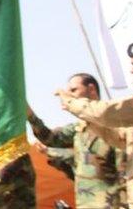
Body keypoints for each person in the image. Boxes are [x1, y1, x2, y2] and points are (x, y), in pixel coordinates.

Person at [57, 41, 133, 207]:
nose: (131, 70)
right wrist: (88, 117)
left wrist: (73, 103)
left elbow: (109, 113)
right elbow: (120, 138)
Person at [28, 73, 124, 208]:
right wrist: (28, 113)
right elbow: (50, 138)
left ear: (91, 89)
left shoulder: (115, 125)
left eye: (74, 90)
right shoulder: (78, 128)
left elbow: (125, 173)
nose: (69, 96)